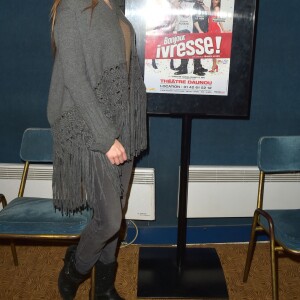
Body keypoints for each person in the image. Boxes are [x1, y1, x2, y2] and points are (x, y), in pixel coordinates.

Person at [47, 0, 147, 299]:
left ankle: (103, 289)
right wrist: (105, 138)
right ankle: (73, 271)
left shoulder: (115, 6)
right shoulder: (71, 8)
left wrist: (128, 127)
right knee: (110, 219)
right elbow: (76, 80)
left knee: (116, 209)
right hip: (90, 127)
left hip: (123, 126)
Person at [208, 0, 225, 72]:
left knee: (214, 49)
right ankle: (215, 65)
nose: (215, 1)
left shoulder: (217, 8)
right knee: (213, 49)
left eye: (217, 0)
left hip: (215, 30)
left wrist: (223, 29)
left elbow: (219, 19)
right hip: (211, 30)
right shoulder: (212, 8)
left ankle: (214, 66)